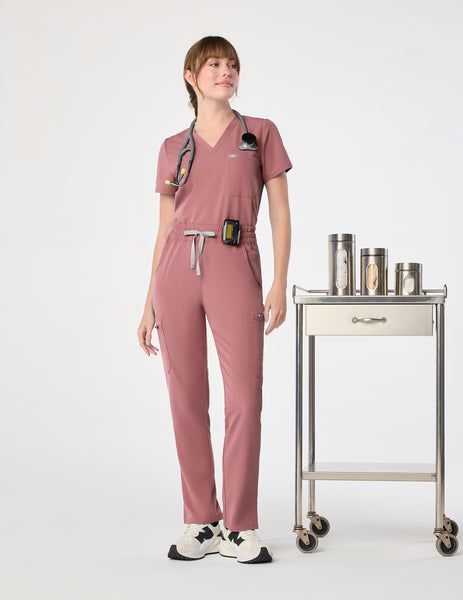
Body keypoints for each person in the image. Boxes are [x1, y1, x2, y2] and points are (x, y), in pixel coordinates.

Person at [137, 35, 292, 564]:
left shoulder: (259, 134)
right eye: (214, 65)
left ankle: (241, 526)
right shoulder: (172, 147)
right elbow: (164, 227)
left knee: (244, 399)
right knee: (186, 399)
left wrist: (278, 281)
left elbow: (279, 213)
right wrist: (148, 302)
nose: (226, 72)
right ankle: (200, 519)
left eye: (232, 65)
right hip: (176, 270)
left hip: (234, 261)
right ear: (191, 76)